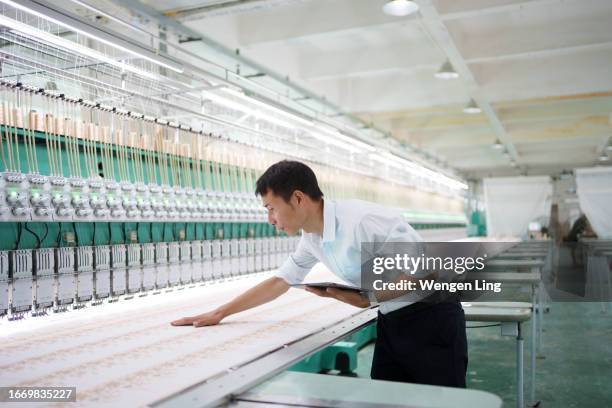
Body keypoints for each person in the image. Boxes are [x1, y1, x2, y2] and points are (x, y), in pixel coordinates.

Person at [171, 160, 468, 388]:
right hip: (393, 320)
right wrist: (219, 313)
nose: (270, 220)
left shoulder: (363, 221)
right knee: (388, 401)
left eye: (271, 208)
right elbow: (280, 280)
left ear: (298, 199)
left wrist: (367, 297)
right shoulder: (312, 238)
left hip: (433, 320)